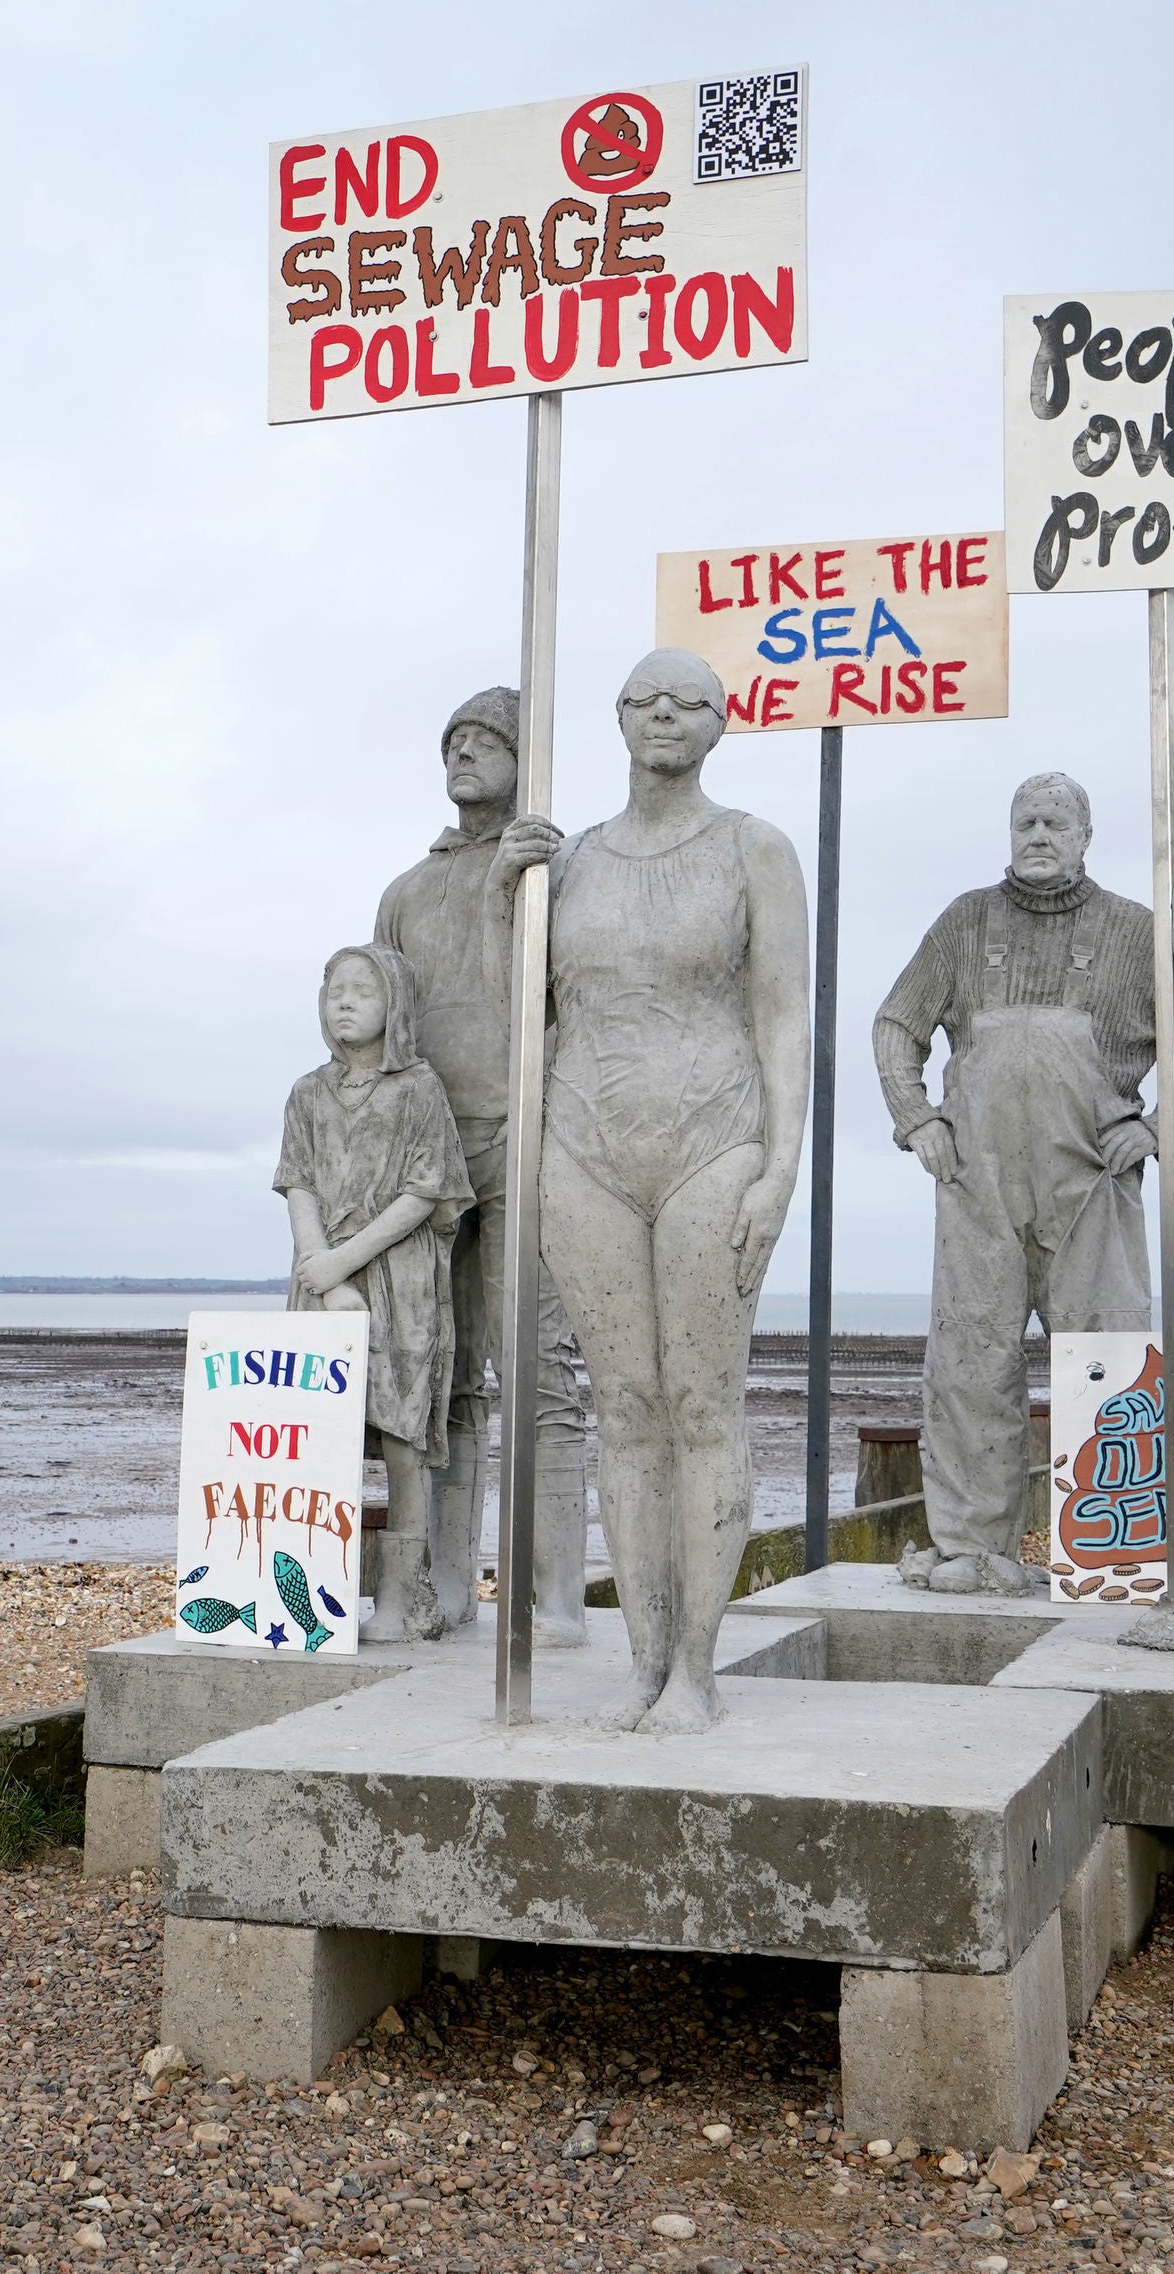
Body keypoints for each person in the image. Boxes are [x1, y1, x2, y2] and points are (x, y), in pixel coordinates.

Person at [502, 649, 809, 1733]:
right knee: (622, 1406)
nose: (665, 714)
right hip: (583, 1142)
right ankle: (641, 1658)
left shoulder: (752, 848)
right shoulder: (569, 858)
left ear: (721, 724)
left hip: (711, 1138)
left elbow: (781, 1014)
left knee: (698, 1401)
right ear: (618, 717)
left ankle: (697, 1664)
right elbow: (529, 1014)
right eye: (644, 699)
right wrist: (512, 893)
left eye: (688, 701)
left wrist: (780, 1166)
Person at [875, 771, 1174, 1594]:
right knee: (969, 1366)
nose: (1038, 833)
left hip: (1092, 1186)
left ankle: (1122, 1556)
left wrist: (1165, 1130)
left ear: (1085, 836)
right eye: (1025, 821)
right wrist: (919, 1119)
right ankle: (972, 1547)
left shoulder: (1137, 933)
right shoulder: (966, 922)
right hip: (978, 1187)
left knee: (1109, 1355)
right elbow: (897, 1024)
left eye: (1055, 822)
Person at [373, 688, 597, 1642]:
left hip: (525, 1134)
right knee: (439, 1372)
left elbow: (568, 996)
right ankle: (449, 1586)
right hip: (429, 1151)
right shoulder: (406, 892)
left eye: (485, 742)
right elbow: (382, 1035)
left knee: (539, 1367)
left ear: (522, 757)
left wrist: (515, 891)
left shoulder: (554, 864)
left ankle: (555, 1597)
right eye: (453, 742)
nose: (465, 755)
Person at [274, 945, 474, 1643]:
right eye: (334, 991)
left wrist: (347, 1263)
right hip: (321, 1279)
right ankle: (312, 1592)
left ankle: (401, 1595)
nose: (345, 1003)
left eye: (362, 990)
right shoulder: (307, 1092)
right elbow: (297, 1181)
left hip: (399, 1279)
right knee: (315, 1429)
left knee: (401, 1432)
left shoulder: (418, 1088)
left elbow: (426, 1190)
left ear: (394, 1005)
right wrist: (320, 1268)